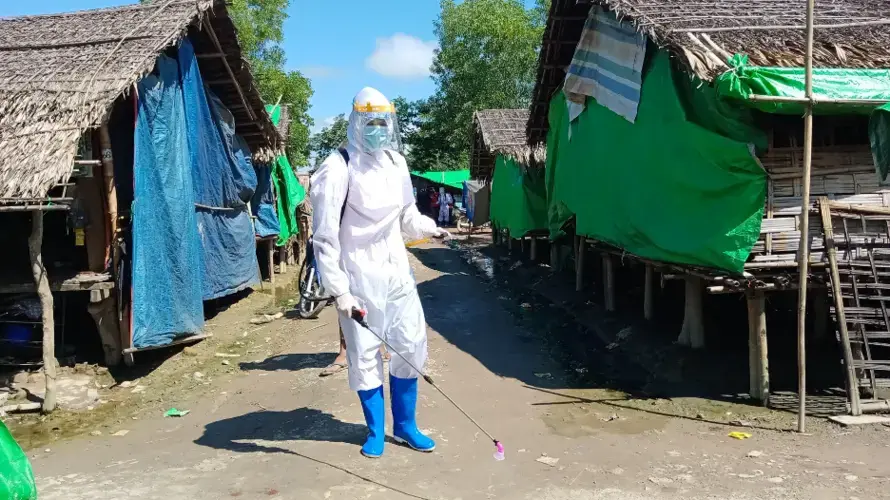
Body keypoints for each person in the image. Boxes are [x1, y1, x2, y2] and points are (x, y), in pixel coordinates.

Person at [310, 87, 450, 458]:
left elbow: (407, 217)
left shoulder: (396, 163)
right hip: (358, 274)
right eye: (371, 122)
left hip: (397, 271)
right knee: (365, 351)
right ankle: (375, 431)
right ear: (356, 122)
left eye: (384, 122)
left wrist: (430, 227)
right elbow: (324, 237)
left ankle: (406, 426)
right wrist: (340, 290)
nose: (378, 129)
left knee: (410, 343)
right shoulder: (337, 167)